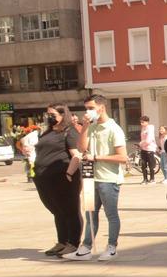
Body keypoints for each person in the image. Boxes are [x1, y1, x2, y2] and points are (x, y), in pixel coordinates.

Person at [64, 95, 128, 262]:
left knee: (111, 214)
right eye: (86, 108)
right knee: (90, 213)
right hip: (90, 177)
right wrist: (84, 126)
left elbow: (123, 157)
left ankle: (112, 247)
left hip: (108, 178)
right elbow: (81, 148)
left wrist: (97, 158)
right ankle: (85, 248)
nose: (88, 111)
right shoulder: (91, 127)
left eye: (91, 108)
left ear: (101, 107)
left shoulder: (114, 129)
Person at [33, 103, 82, 257]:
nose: (49, 117)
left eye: (52, 114)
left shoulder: (69, 132)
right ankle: (62, 241)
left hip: (62, 178)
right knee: (57, 211)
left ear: (62, 115)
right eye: (47, 114)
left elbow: (76, 155)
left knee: (70, 210)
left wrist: (68, 173)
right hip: (44, 178)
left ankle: (72, 243)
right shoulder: (47, 132)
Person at [138, 115, 158, 185]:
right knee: (143, 164)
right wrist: (141, 145)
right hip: (143, 149)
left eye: (143, 122)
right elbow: (143, 139)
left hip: (150, 148)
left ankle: (152, 179)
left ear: (147, 122)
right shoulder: (143, 128)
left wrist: (141, 144)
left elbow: (149, 140)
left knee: (151, 165)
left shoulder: (150, 128)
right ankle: (145, 179)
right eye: (141, 122)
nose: (141, 124)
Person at [17, 119, 39, 184]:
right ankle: (30, 177)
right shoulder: (30, 136)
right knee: (30, 164)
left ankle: (31, 177)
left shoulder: (29, 136)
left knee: (30, 164)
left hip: (31, 152)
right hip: (30, 152)